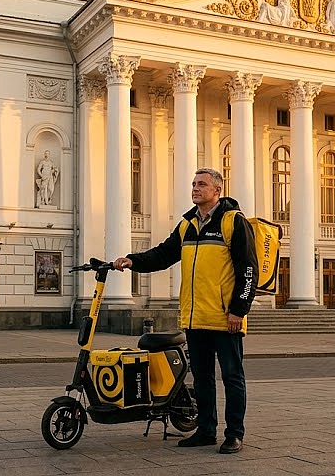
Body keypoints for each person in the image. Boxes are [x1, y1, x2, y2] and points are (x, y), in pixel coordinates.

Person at [113, 168, 257, 454]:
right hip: (195, 317)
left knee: (232, 377)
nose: (195, 188)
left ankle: (234, 434)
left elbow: (248, 270)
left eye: (202, 184)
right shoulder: (187, 225)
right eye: (193, 184)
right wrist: (132, 261)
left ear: (217, 190)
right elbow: (163, 254)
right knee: (202, 379)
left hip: (224, 318)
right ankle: (205, 431)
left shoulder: (233, 221)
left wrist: (238, 311)